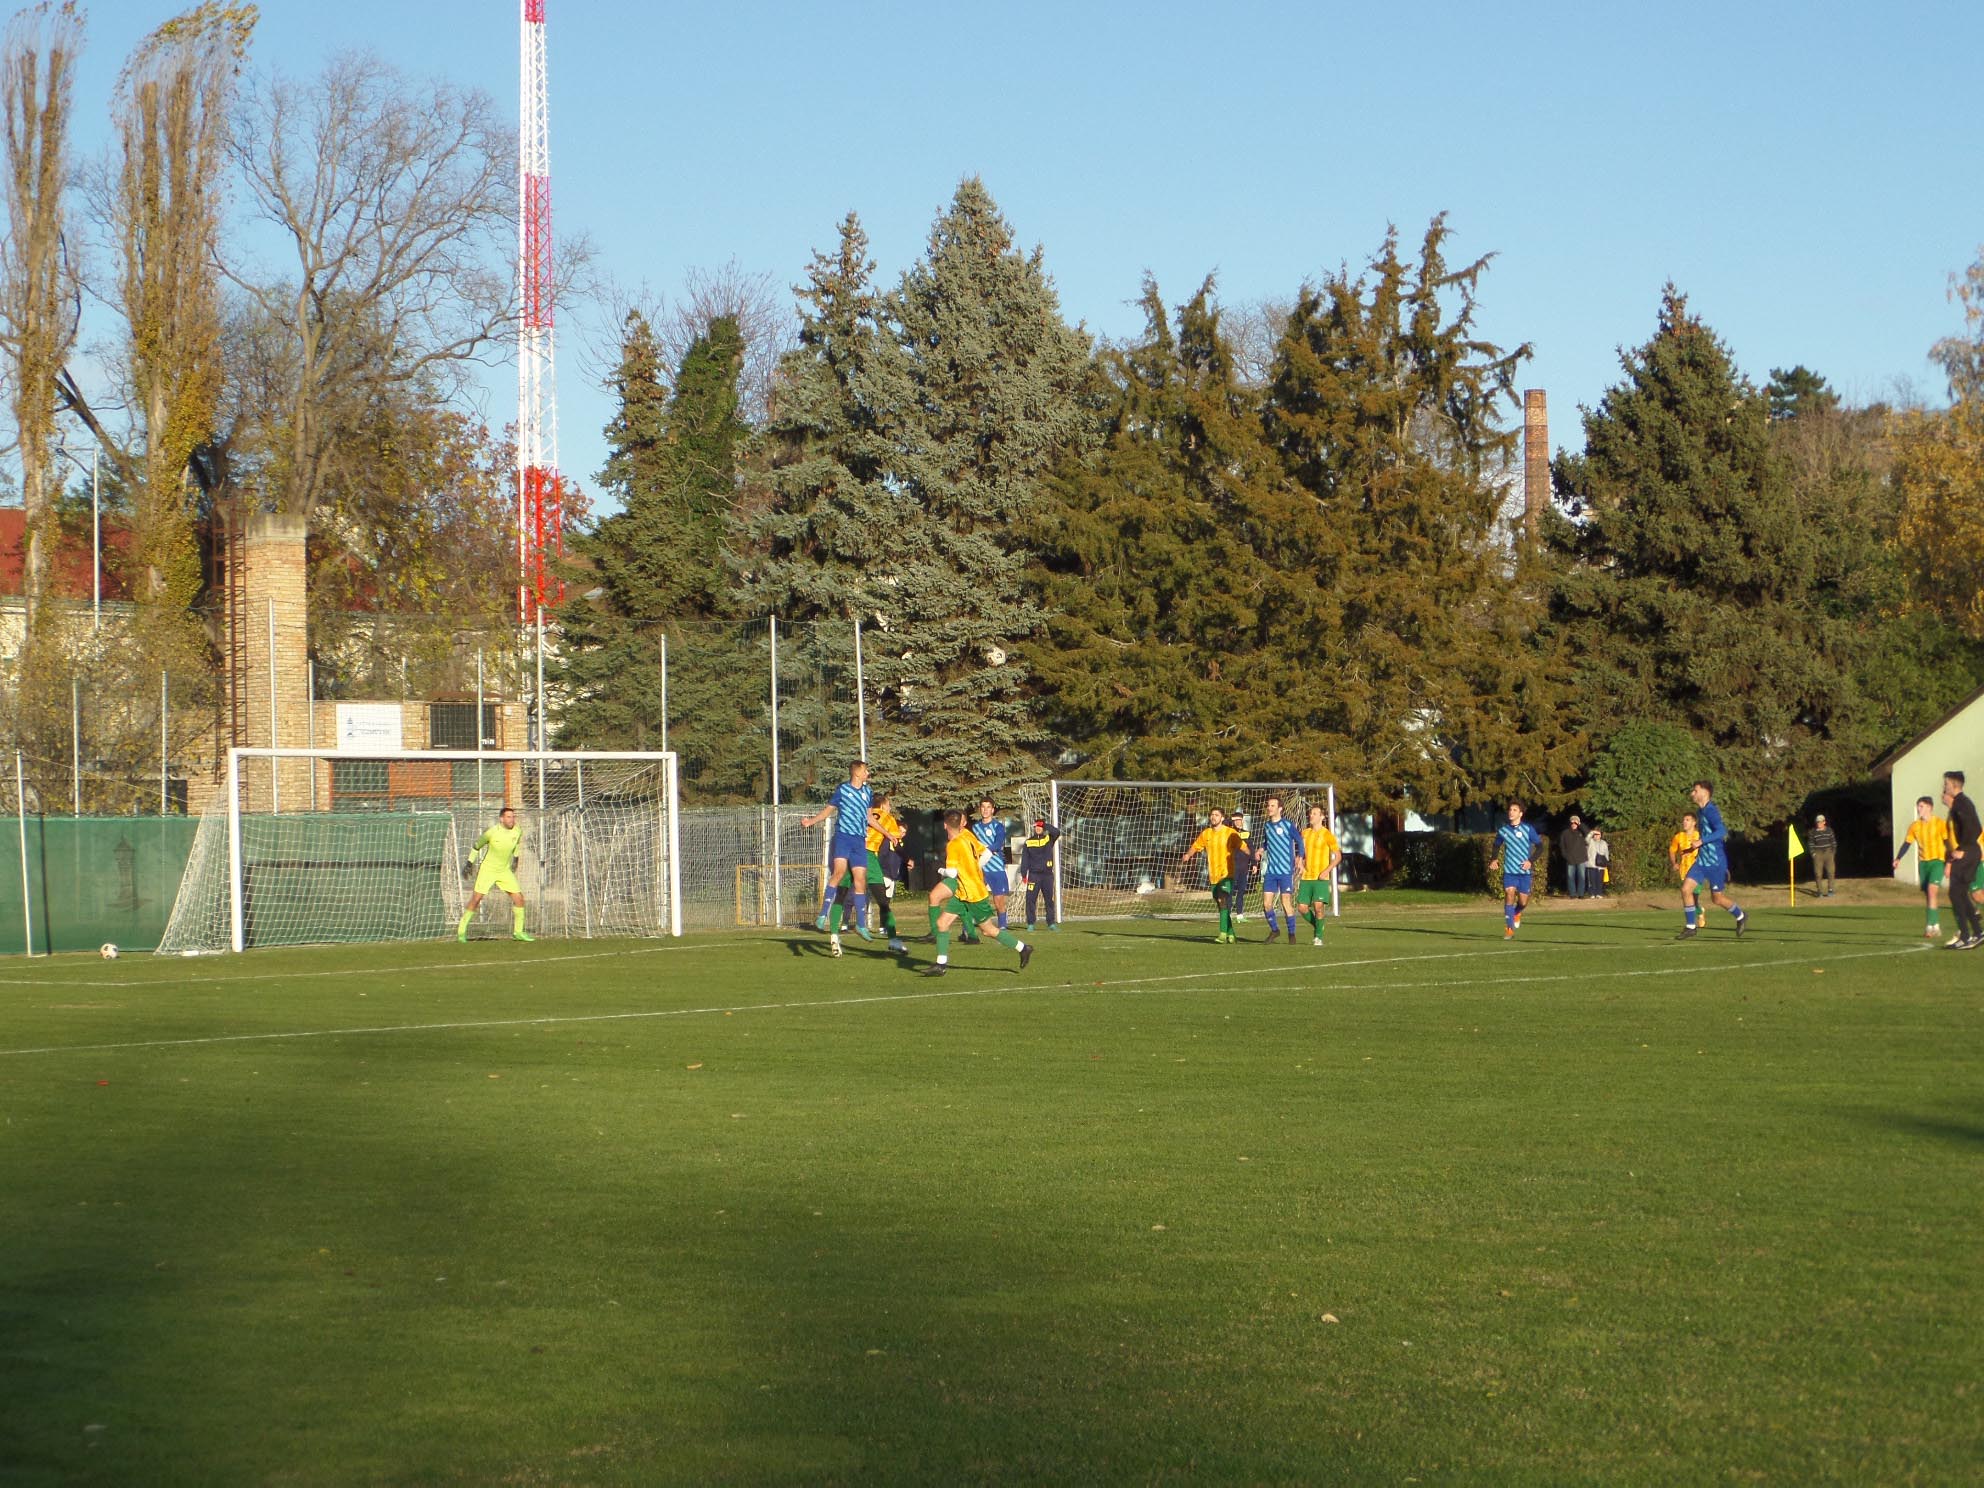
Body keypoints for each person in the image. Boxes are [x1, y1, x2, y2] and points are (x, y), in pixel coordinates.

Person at [924, 809, 1032, 976]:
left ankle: (1023, 948)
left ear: (945, 825)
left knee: (988, 930)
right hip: (963, 892)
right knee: (942, 923)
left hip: (973, 894)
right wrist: (975, 868)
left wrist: (939, 869)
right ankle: (941, 965)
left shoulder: (953, 844)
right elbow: (987, 852)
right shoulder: (967, 835)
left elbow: (951, 873)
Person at [802, 760, 874, 947]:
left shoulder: (868, 792)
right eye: (866, 771)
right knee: (839, 873)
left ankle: (861, 925)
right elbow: (828, 811)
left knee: (860, 880)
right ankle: (822, 914)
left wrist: (888, 834)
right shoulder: (843, 790)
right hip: (843, 837)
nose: (868, 773)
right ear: (857, 773)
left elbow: (869, 817)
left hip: (859, 840)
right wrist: (811, 821)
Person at [1678, 781, 1747, 939]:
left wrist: (1701, 842)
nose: (1692, 793)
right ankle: (1690, 927)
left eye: (1695, 791)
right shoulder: (1700, 811)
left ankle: (1741, 916)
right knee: (1686, 889)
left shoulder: (1711, 810)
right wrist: (1695, 847)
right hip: (1702, 861)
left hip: (1715, 862)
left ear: (1705, 792)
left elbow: (1721, 831)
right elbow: (1706, 835)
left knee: (1717, 898)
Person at [457, 805, 532, 943]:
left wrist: (516, 859)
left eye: (513, 817)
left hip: (504, 871)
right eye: (508, 817)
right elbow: (476, 846)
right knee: (476, 899)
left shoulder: (517, 831)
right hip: (488, 870)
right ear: (501, 819)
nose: (512, 819)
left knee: (519, 899)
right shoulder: (492, 832)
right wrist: (469, 864)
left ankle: (519, 932)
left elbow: (516, 845)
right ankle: (461, 932)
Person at [1182, 806, 1251, 944]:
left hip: (1227, 874)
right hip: (1213, 876)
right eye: (1212, 814)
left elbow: (1244, 847)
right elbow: (1195, 846)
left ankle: (1222, 934)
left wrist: (1253, 857)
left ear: (1222, 818)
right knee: (1221, 905)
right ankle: (1231, 933)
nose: (1213, 817)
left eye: (1217, 815)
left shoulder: (1230, 832)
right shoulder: (1206, 833)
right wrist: (1188, 855)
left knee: (1222, 899)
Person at [1892, 795, 1951, 941]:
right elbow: (1907, 843)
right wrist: (1898, 858)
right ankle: (1935, 925)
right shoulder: (1915, 826)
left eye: (1922, 806)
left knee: (1932, 891)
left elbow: (1947, 843)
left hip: (1938, 861)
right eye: (1918, 806)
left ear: (1930, 807)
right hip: (1923, 864)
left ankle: (1930, 926)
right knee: (1929, 895)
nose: (1919, 809)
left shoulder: (1940, 823)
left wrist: (1950, 862)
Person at [1940, 772, 1982, 949]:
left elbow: (1974, 828)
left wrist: (1962, 849)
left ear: (1954, 785)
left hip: (1968, 852)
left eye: (1946, 784)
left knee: (1955, 893)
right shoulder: (1961, 803)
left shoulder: (1961, 803)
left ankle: (1965, 936)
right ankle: (1977, 933)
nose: (1944, 788)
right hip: (1970, 851)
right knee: (1960, 893)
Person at [1253, 795, 1302, 943]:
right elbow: (1267, 842)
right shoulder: (1267, 826)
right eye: (1268, 805)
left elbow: (1300, 841)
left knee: (1286, 902)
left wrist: (1300, 857)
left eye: (1272, 805)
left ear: (1280, 808)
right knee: (1266, 904)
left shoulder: (1287, 825)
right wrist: (1261, 849)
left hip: (1285, 871)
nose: (1269, 808)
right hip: (1271, 871)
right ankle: (1275, 930)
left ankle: (1292, 934)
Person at [1295, 803, 1341, 947]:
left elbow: (1338, 856)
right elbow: (1301, 853)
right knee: (1302, 908)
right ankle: (1319, 925)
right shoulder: (1304, 833)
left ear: (1322, 817)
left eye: (1315, 813)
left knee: (1318, 906)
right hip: (1307, 876)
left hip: (1321, 877)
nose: (1311, 815)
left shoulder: (1327, 834)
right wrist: (1300, 863)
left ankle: (1318, 937)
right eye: (1310, 813)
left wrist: (1327, 870)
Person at [1497, 801, 1540, 939]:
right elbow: (1496, 845)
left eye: (1515, 810)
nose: (1511, 812)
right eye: (1510, 809)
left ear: (1520, 814)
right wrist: (1493, 859)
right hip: (1509, 871)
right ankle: (1509, 929)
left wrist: (1530, 861)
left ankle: (1517, 912)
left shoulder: (1528, 829)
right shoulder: (1503, 830)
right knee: (1509, 894)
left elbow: (1540, 847)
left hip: (1524, 873)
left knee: (1523, 902)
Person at [971, 798, 1014, 933]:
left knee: (999, 900)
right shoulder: (975, 827)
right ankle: (968, 929)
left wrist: (986, 849)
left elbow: (998, 843)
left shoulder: (998, 826)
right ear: (980, 809)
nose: (985, 810)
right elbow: (972, 845)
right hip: (980, 869)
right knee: (973, 897)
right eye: (983, 807)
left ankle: (1002, 927)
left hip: (996, 868)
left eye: (988, 807)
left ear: (992, 809)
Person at [1018, 816, 1061, 931]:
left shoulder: (1048, 839)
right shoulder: (1028, 842)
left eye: (1040, 826)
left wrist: (1045, 825)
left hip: (1047, 875)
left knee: (1049, 900)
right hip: (1034, 875)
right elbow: (1025, 859)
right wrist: (1024, 874)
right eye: (1036, 826)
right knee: (1030, 899)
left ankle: (1051, 923)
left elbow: (1056, 832)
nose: (1038, 828)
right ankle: (1031, 923)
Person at [1669, 811, 1703, 921]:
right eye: (1683, 820)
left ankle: (1692, 922)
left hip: (1698, 871)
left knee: (1694, 896)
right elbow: (1672, 850)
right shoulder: (1678, 837)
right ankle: (1698, 913)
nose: (1684, 822)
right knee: (1688, 896)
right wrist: (1674, 863)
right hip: (1684, 871)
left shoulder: (1700, 836)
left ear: (1694, 822)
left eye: (1687, 820)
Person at [1228, 811, 1254, 921]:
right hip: (1232, 866)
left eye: (1240, 820)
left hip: (1243, 867)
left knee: (1241, 890)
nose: (1238, 822)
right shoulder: (1229, 833)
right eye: (1236, 820)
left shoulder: (1246, 834)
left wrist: (1254, 863)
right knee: (1230, 891)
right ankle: (1228, 914)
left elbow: (1251, 849)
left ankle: (1239, 914)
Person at [1558, 814, 1589, 898]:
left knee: (1582, 877)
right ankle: (1572, 894)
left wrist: (1580, 824)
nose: (1574, 824)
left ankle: (1581, 894)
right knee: (1570, 877)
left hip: (1581, 858)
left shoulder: (1582, 832)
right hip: (1570, 859)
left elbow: (1587, 832)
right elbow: (1562, 845)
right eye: (1572, 823)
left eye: (1575, 823)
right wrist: (1565, 855)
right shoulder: (1565, 833)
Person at [1808, 814, 1838, 897]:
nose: (1819, 823)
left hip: (1828, 852)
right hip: (1818, 853)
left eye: (1820, 822)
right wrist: (1813, 853)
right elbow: (1810, 844)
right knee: (1818, 873)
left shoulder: (1829, 830)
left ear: (1824, 822)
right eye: (1817, 822)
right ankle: (1819, 891)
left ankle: (1830, 890)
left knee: (1831, 872)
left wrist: (1833, 852)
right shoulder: (1812, 832)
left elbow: (1833, 842)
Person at [1588, 827, 1610, 898]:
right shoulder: (1590, 842)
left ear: (1601, 835)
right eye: (1595, 834)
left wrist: (1606, 862)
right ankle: (1592, 894)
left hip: (1601, 864)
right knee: (1592, 880)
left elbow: (1606, 853)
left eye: (1598, 834)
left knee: (1600, 880)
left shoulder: (1604, 843)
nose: (1597, 836)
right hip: (1592, 864)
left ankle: (1599, 893)